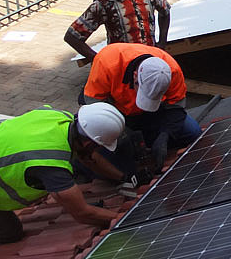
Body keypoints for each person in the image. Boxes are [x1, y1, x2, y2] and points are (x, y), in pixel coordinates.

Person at [0, 104, 126, 252]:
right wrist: (122, 218)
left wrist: (123, 176)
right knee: (7, 232)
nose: (98, 151)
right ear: (87, 141)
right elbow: (83, 213)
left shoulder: (59, 117)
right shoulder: (50, 164)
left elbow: (89, 159)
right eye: (98, 146)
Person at [81, 42, 202, 173]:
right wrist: (121, 132)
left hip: (154, 114)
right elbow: (94, 106)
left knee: (193, 132)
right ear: (135, 77)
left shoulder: (171, 70)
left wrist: (165, 135)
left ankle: (151, 141)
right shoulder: (107, 62)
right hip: (118, 115)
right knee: (106, 157)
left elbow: (176, 107)